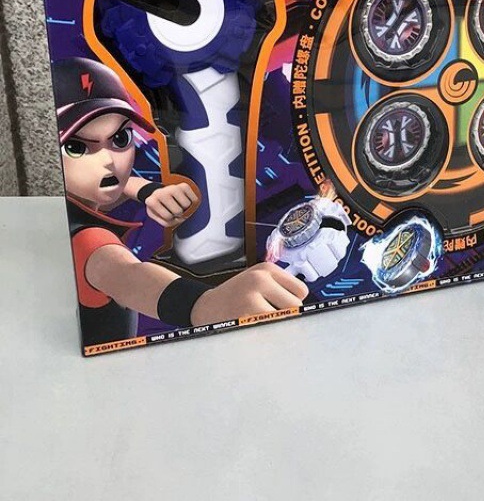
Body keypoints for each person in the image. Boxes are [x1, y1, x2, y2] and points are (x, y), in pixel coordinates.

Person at [55, 57, 308, 347]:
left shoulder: (74, 202)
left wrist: (145, 190)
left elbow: (115, 184)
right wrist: (203, 305)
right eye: (76, 147)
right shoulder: (88, 241)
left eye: (120, 138)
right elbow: (126, 275)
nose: (109, 161)